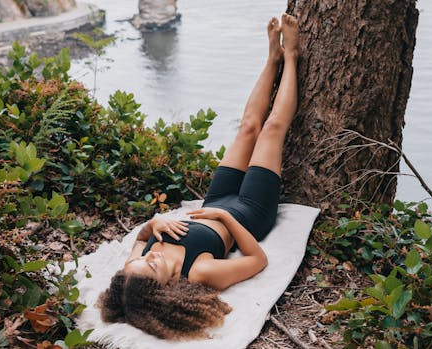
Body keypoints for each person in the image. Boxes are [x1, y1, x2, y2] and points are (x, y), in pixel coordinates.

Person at [99, 13, 300, 340]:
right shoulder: (201, 272)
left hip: (215, 200)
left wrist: (155, 223)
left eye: (144, 259)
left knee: (248, 128)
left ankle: (272, 58)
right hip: (248, 214)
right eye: (152, 265)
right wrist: (224, 217)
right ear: (163, 289)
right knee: (271, 131)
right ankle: (290, 56)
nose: (151, 255)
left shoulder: (136, 268)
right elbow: (257, 260)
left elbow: (138, 240)